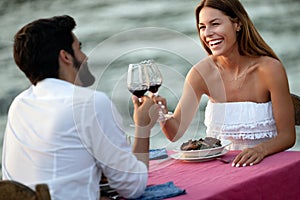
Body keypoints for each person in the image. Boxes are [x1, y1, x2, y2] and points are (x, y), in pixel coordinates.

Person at [1, 15, 159, 200]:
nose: (86, 57)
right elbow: (133, 187)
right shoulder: (89, 103)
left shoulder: (19, 104)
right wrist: (143, 127)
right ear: (66, 56)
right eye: (79, 48)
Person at [158, 0, 296, 167]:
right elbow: (174, 132)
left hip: (267, 167)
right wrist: (160, 111)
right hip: (220, 171)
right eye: (202, 27)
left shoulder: (269, 69)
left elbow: (288, 136)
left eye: (214, 24)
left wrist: (261, 150)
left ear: (237, 24)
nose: (207, 33)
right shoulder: (200, 73)